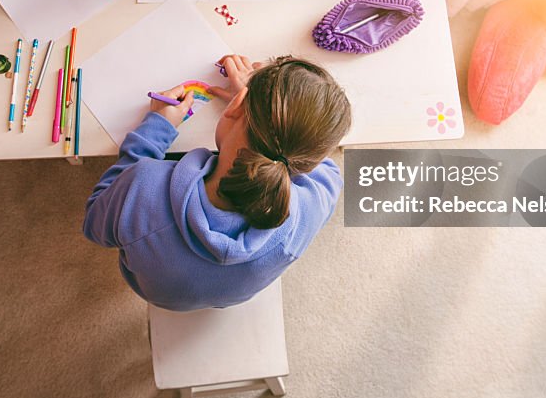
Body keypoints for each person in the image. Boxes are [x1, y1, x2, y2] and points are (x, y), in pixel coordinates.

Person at [83, 55, 351, 311]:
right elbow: (326, 168)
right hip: (230, 297)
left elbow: (95, 221)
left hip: (155, 291)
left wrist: (154, 131)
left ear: (235, 105)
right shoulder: (308, 212)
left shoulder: (142, 189)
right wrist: (264, 116)